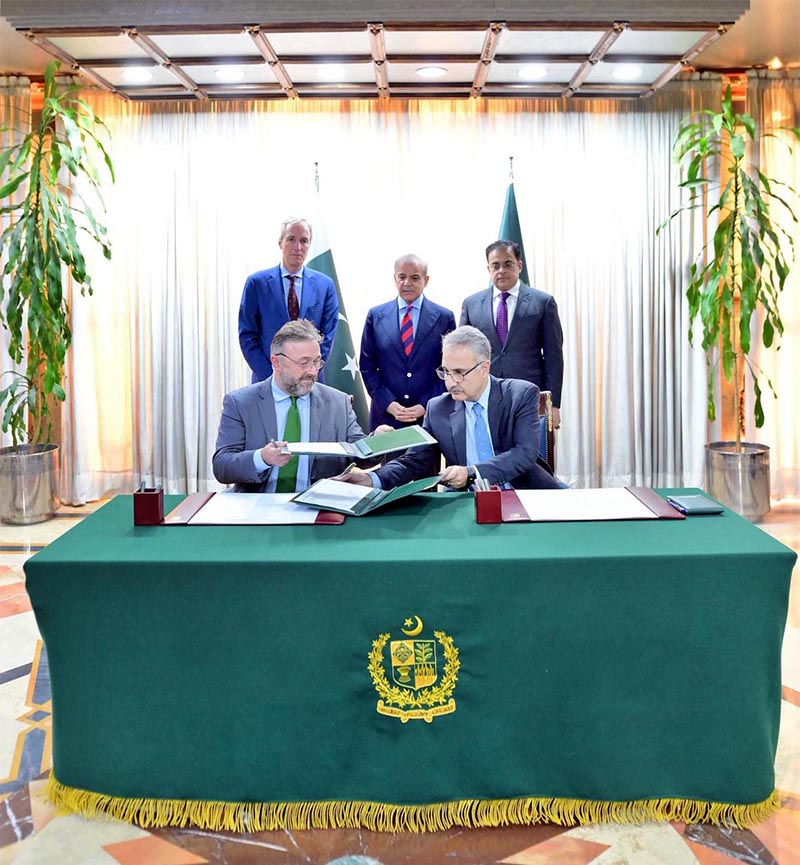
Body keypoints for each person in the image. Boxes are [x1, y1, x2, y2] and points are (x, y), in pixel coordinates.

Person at [337, 326, 560, 491]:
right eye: (445, 372)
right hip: (464, 502)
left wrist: (472, 473)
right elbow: (415, 461)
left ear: (484, 368)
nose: (451, 382)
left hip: (524, 494)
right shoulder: (438, 408)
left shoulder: (519, 394)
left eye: (459, 372)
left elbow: (524, 453)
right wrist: (371, 479)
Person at [214, 320, 364, 493]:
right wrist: (262, 458)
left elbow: (360, 453)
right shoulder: (240, 403)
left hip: (319, 506)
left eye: (316, 362)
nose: (313, 371)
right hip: (258, 507)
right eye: (303, 363)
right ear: (276, 363)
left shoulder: (338, 402)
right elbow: (222, 467)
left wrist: (379, 441)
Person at [460, 240, 564, 428]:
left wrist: (553, 404)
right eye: (495, 265)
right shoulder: (472, 304)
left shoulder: (543, 302)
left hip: (529, 399)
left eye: (508, 264)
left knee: (532, 456)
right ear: (488, 269)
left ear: (519, 265)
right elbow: (463, 356)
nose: (501, 270)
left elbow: (553, 357)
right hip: (482, 398)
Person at [359, 254, 456, 431]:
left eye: (414, 277)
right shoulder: (376, 315)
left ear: (426, 280)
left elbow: (449, 369)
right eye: (402, 277)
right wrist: (387, 402)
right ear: (394, 278)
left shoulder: (444, 318)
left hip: (428, 417)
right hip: (387, 416)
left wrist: (425, 405)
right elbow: (367, 366)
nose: (407, 283)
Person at [238, 218, 339, 382]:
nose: (298, 247)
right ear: (280, 243)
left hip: (309, 381)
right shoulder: (257, 284)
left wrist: (307, 371)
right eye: (291, 239)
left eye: (304, 241)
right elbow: (247, 336)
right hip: (267, 381)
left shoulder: (325, 286)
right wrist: (273, 377)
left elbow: (328, 335)